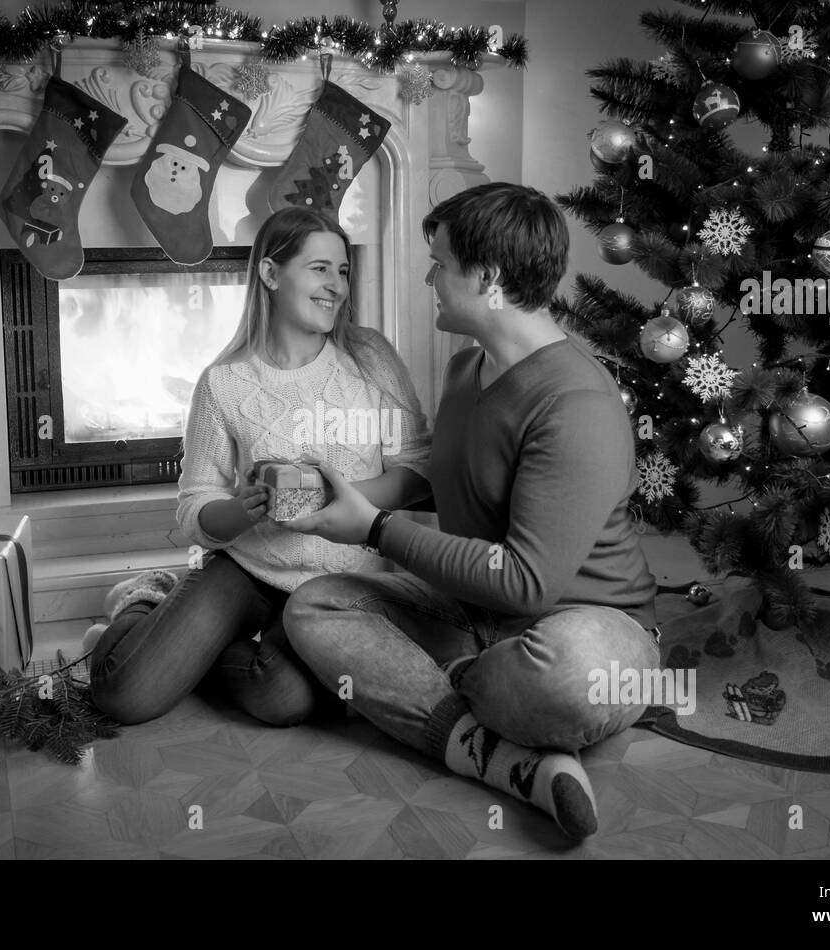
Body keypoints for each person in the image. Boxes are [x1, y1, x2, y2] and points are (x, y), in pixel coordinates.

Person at [280, 182, 660, 840]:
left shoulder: (577, 405)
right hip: (476, 615)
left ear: (486, 279)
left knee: (572, 676)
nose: (429, 277)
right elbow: (440, 471)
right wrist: (344, 494)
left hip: (587, 630)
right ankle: (506, 758)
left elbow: (526, 581)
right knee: (314, 605)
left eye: (440, 265)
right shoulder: (466, 369)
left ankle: (444, 691)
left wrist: (375, 530)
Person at [87, 206, 431, 728]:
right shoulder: (222, 382)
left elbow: (417, 471)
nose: (336, 286)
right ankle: (144, 600)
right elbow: (194, 508)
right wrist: (242, 512)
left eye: (342, 271)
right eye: (319, 269)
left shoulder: (370, 359)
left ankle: (189, 651)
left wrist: (336, 497)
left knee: (282, 698)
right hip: (248, 568)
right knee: (124, 694)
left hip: (343, 578)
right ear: (270, 274)